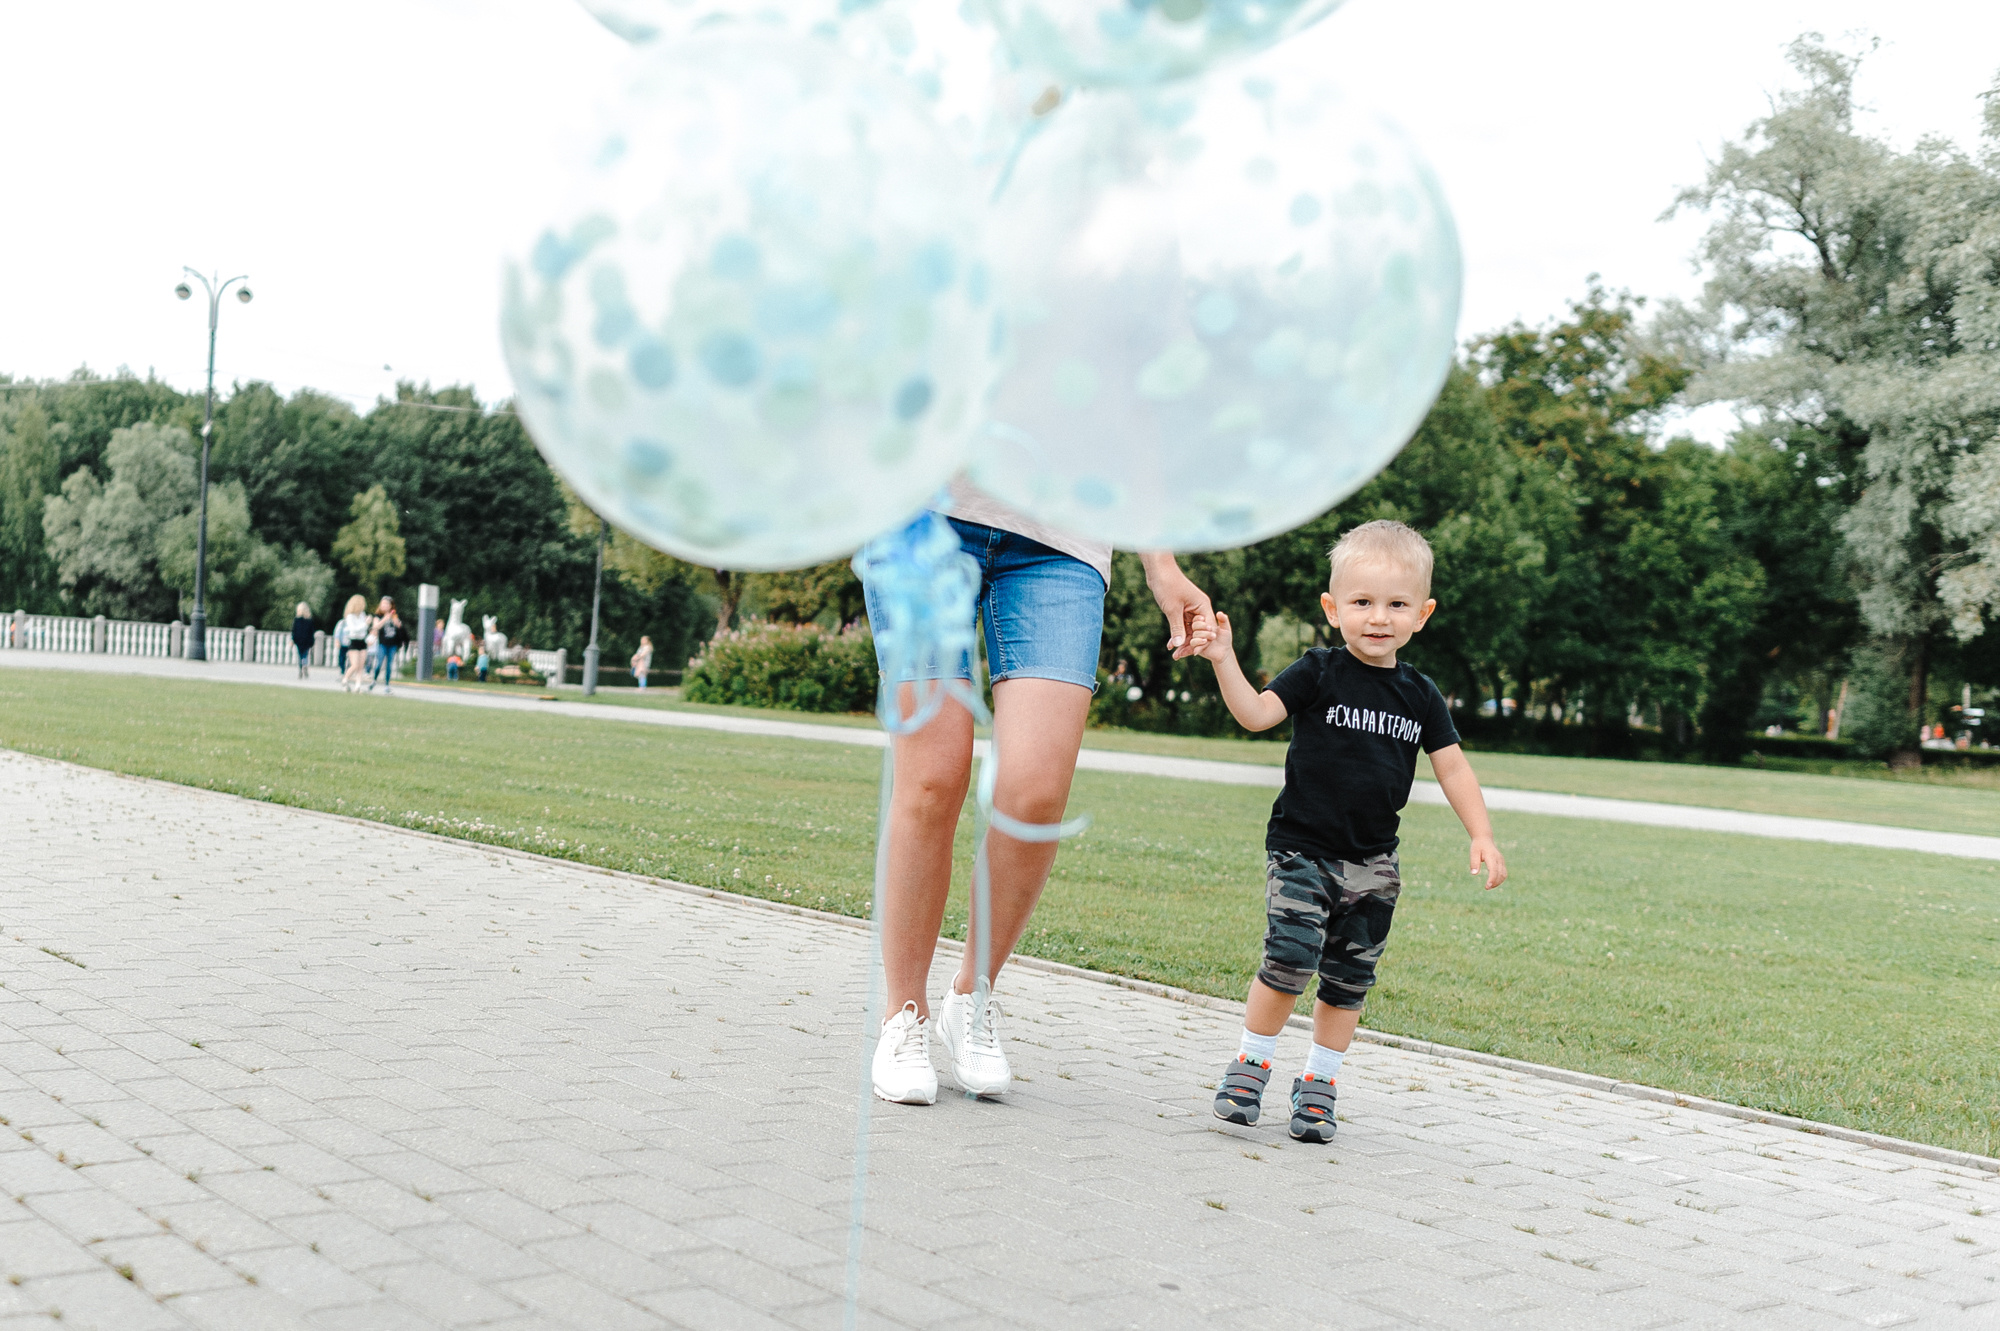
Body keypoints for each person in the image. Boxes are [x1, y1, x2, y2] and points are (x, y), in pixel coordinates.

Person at [863, 479, 1213, 1106]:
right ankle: (903, 1016)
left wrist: (1161, 564)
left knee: (1035, 794)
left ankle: (971, 998)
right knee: (932, 777)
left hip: (1062, 541)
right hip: (923, 517)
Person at [1198, 520, 1506, 1142]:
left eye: (1396, 605)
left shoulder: (1419, 695)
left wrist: (1482, 833)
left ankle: (1319, 1084)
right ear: (1332, 608)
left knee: (1347, 978)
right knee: (1289, 957)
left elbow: (1453, 767)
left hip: (1373, 865)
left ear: (1423, 614)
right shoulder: (1318, 672)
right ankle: (1251, 1064)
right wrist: (1222, 658)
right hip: (1301, 851)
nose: (1378, 617)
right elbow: (1257, 714)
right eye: (1362, 602)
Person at [338, 596, 372, 693]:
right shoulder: (350, 616)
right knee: (355, 665)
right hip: (353, 641)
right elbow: (354, 629)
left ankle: (358, 685)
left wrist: (367, 624)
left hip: (362, 641)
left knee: (361, 665)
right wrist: (365, 624)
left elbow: (363, 630)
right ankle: (345, 679)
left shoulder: (362, 615)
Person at [370, 597, 403, 694]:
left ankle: (387, 685)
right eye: (383, 604)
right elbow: (376, 626)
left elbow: (399, 626)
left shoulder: (395, 615)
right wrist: (385, 618)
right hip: (382, 644)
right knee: (379, 664)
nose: (384, 606)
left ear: (390, 606)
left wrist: (396, 622)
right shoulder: (378, 616)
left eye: (387, 604)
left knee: (389, 665)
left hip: (392, 644)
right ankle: (374, 680)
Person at [289, 602, 315, 679]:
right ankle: (305, 664)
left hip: (299, 640)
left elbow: (294, 631)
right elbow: (312, 631)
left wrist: (293, 640)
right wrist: (312, 642)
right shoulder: (309, 620)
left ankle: (300, 669)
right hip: (307, 640)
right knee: (305, 654)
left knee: (300, 655)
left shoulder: (296, 620)